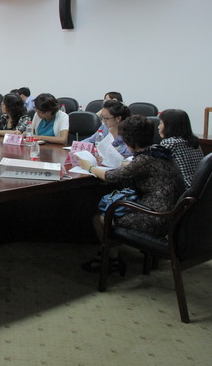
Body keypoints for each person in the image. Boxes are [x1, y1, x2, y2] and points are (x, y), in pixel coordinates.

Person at [75, 115, 185, 274]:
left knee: (99, 218)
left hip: (156, 218)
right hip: (173, 214)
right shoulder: (159, 151)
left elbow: (110, 176)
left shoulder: (144, 161)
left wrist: (89, 167)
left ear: (131, 140)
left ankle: (112, 260)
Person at [158, 109, 203, 188]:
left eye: (161, 123)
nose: (158, 127)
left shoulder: (170, 143)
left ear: (169, 126)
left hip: (181, 189)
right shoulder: (194, 141)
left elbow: (156, 167)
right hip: (198, 186)